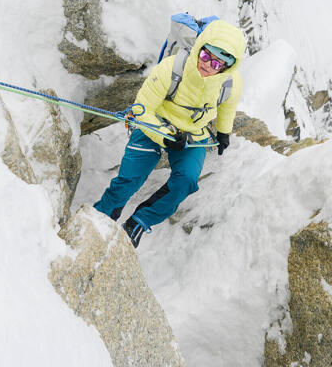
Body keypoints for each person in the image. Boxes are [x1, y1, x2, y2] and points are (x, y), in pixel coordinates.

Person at [93, 18, 246, 247]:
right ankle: (101, 217)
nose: (207, 65)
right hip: (154, 123)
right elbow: (141, 110)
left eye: (217, 64)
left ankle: (139, 222)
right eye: (206, 56)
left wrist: (224, 133)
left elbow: (227, 107)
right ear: (200, 47)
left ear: (227, 67)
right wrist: (164, 135)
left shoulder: (229, 83)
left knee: (186, 180)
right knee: (129, 179)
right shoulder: (171, 68)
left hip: (193, 133)